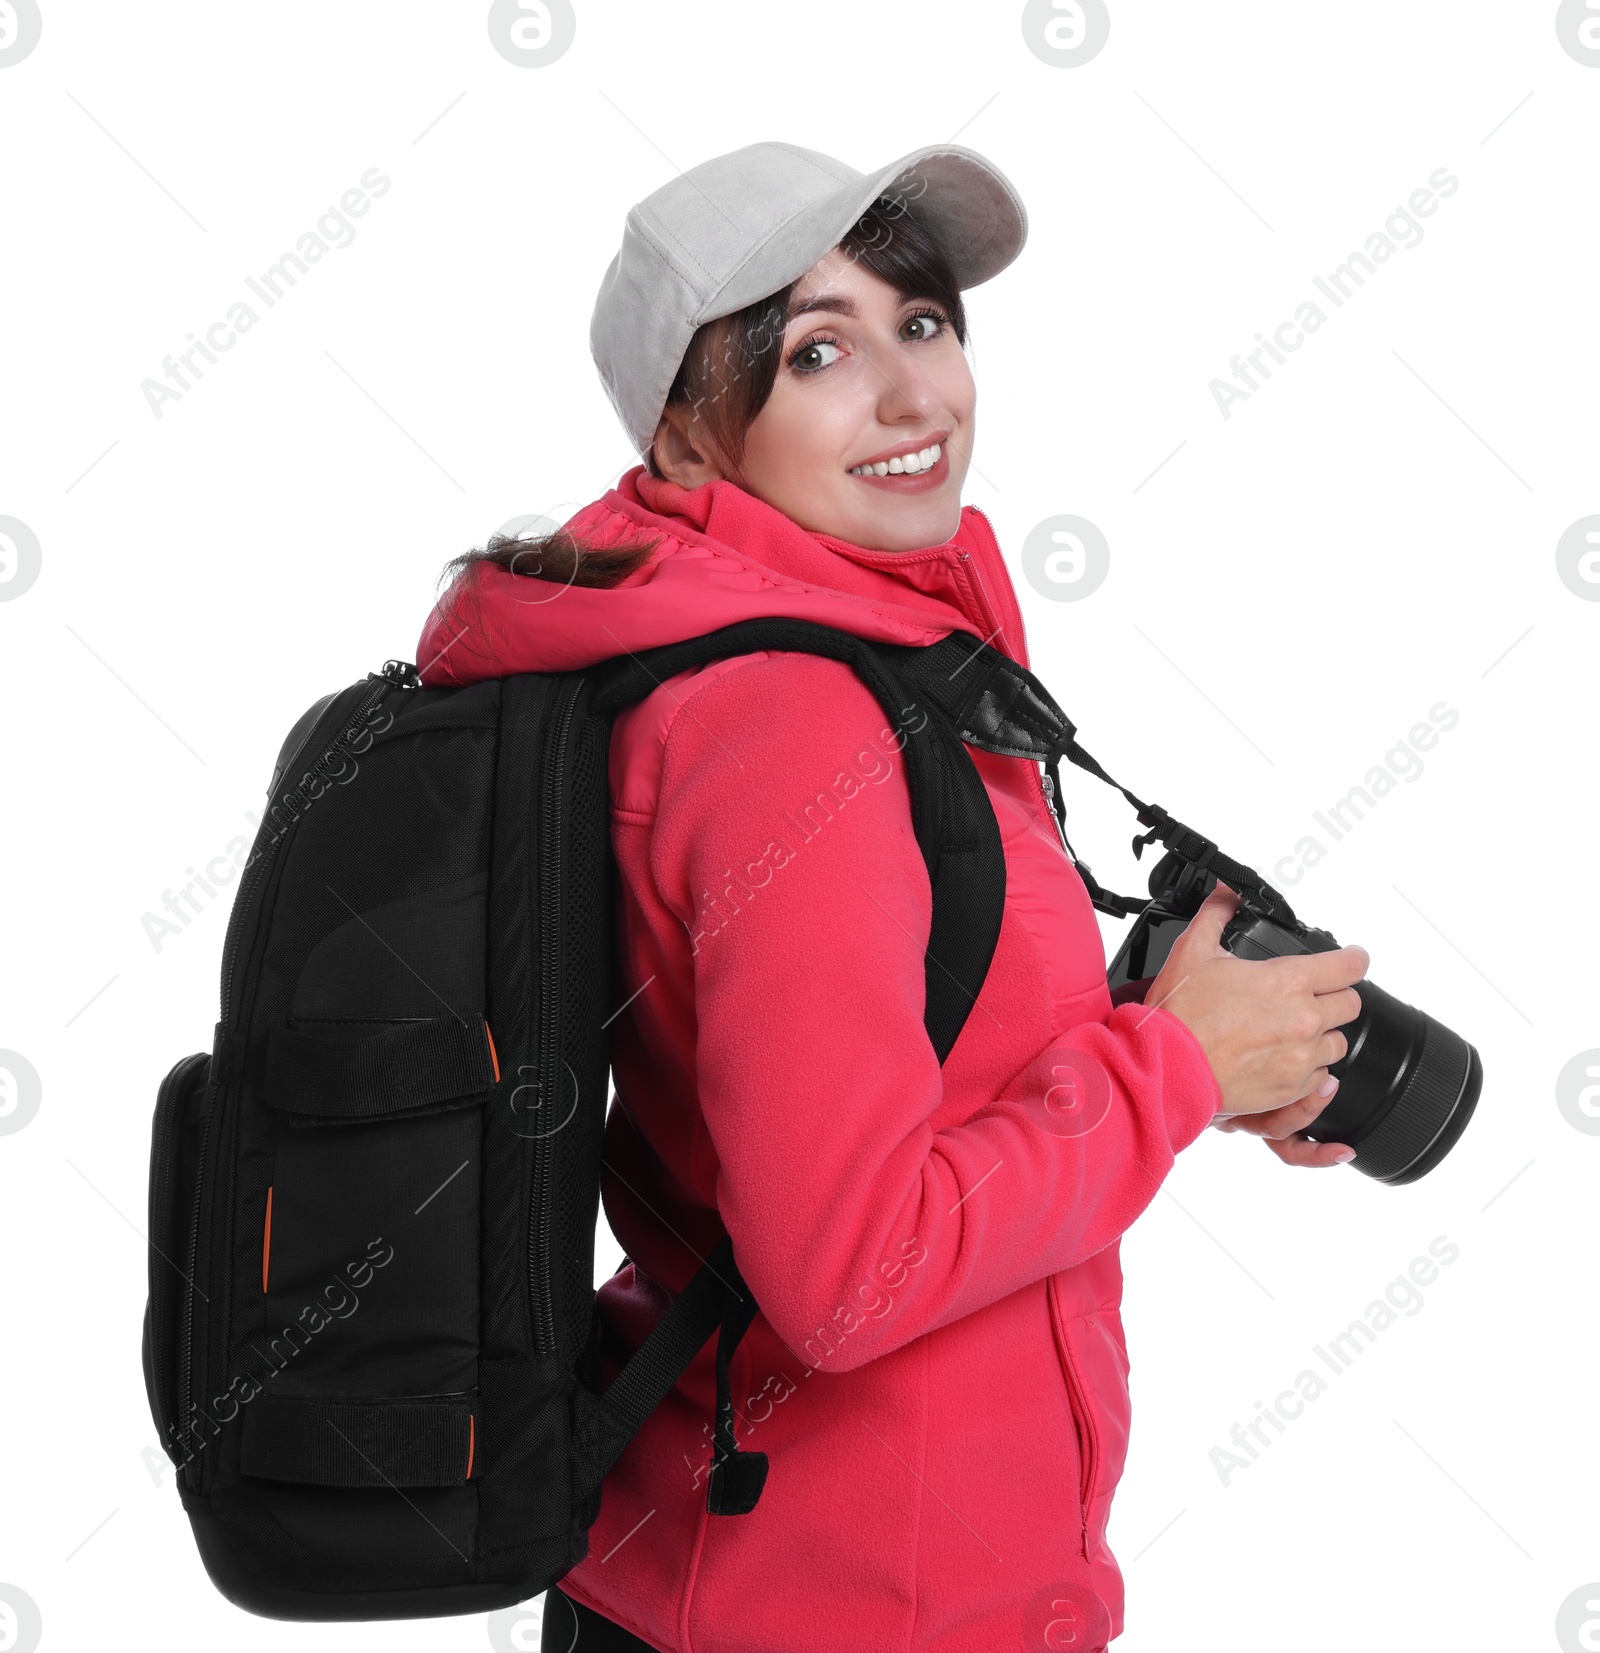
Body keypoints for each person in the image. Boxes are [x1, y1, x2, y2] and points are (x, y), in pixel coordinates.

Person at [416, 141, 1367, 1653]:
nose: (917, 396)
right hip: (835, 1609)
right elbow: (851, 1273)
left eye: (923, 322)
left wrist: (1179, 1041)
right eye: (818, 353)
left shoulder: (835, 653)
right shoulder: (795, 725)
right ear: (686, 435)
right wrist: (1167, 1071)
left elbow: (875, 1058)